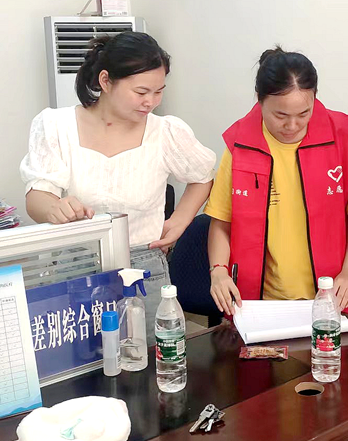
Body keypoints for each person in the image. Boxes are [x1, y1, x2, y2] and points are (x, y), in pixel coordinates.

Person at [20, 31, 216, 338]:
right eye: (141, 92)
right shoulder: (56, 126)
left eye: (158, 92)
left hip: (142, 266)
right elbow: (37, 196)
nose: (151, 102)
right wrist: (54, 208)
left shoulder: (165, 132)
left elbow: (203, 176)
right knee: (80, 359)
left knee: (149, 357)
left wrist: (180, 220)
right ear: (106, 81)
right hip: (76, 265)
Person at [206, 47, 348, 317]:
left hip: (335, 292)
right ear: (259, 100)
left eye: (303, 113)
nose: (292, 125)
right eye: (280, 115)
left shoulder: (341, 137)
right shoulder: (240, 144)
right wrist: (218, 270)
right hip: (265, 300)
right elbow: (222, 220)